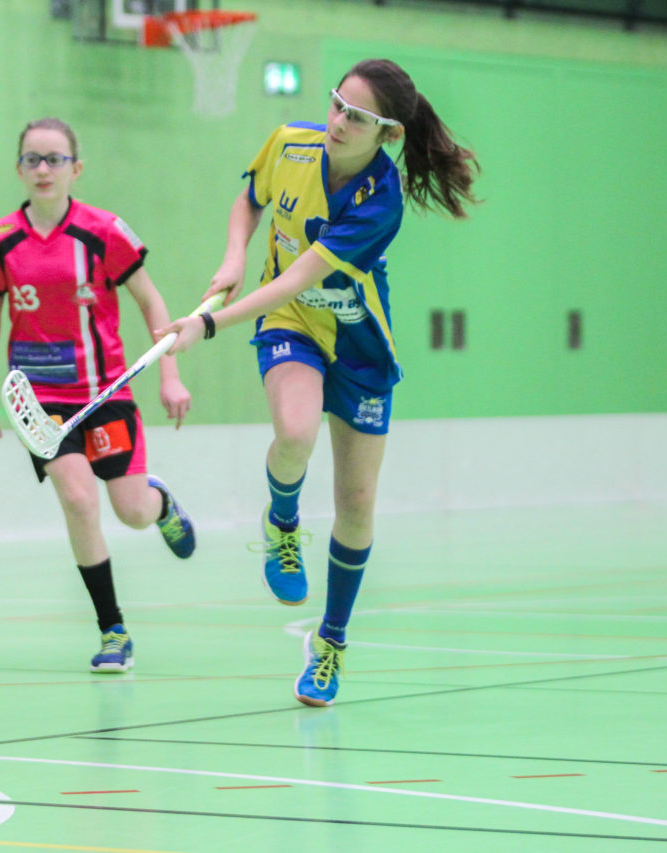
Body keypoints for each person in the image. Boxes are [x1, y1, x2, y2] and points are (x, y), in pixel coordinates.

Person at [158, 59, 478, 706]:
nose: (336, 121)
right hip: (289, 325)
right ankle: (281, 522)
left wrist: (209, 324)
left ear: (385, 133)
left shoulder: (381, 200)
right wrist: (233, 255)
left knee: (357, 501)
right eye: (336, 104)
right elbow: (248, 202)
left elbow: (301, 275)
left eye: (355, 117)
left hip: (360, 344)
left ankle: (330, 642)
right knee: (294, 431)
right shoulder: (290, 143)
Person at [0, 118, 197, 674]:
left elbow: (150, 302)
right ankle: (113, 630)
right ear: (18, 168)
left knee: (133, 512)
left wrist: (170, 374)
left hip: (107, 393)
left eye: (54, 159)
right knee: (77, 499)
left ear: (76, 167)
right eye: (32, 159)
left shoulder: (104, 232)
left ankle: (160, 502)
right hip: (39, 402)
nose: (43, 170)